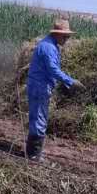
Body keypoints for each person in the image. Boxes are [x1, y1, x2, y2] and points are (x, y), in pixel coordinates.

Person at [25, 18, 82, 160]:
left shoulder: (50, 44)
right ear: (57, 34)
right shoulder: (49, 48)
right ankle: (33, 155)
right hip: (39, 86)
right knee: (39, 118)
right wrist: (71, 82)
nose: (67, 39)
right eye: (65, 36)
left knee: (38, 117)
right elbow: (53, 69)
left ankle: (33, 152)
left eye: (68, 37)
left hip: (40, 85)